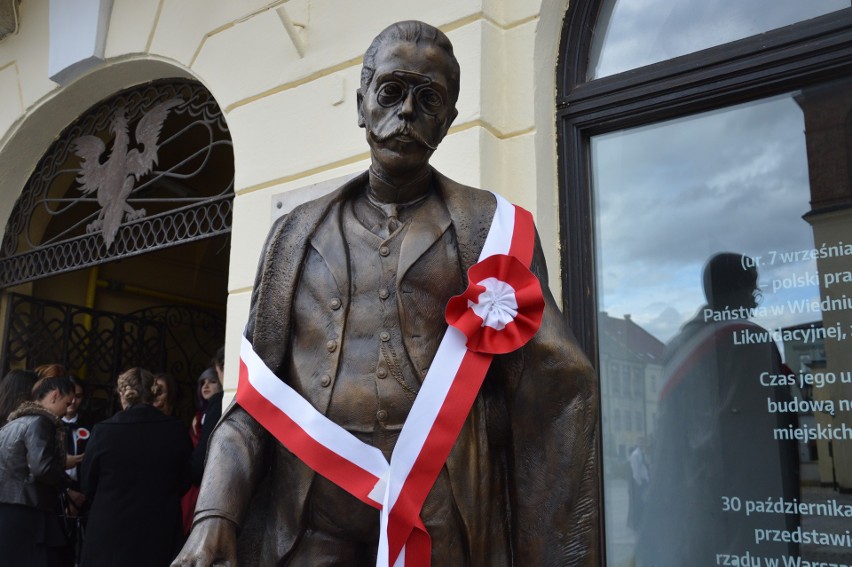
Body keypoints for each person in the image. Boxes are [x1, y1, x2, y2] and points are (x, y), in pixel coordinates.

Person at [173, 20, 598, 567]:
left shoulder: (491, 230)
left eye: (429, 99)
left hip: (440, 521)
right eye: (391, 92)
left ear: (447, 119)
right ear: (361, 103)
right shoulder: (292, 235)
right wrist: (215, 516)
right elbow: (258, 400)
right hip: (308, 521)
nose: (406, 113)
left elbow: (555, 388)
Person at [636, 253, 799, 565]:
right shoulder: (750, 341)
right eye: (753, 292)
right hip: (740, 512)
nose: (754, 303)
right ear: (736, 290)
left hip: (690, 504)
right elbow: (762, 447)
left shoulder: (678, 344)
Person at [79, 368, 192, 567]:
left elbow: (87, 483)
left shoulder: (104, 431)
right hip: (160, 529)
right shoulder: (176, 430)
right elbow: (185, 479)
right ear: (152, 392)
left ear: (122, 394)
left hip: (109, 530)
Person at [0, 374, 76, 566]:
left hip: (8, 509)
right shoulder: (40, 422)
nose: (67, 411)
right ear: (55, 396)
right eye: (67, 403)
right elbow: (42, 468)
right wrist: (63, 476)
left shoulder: (13, 423)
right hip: (29, 510)